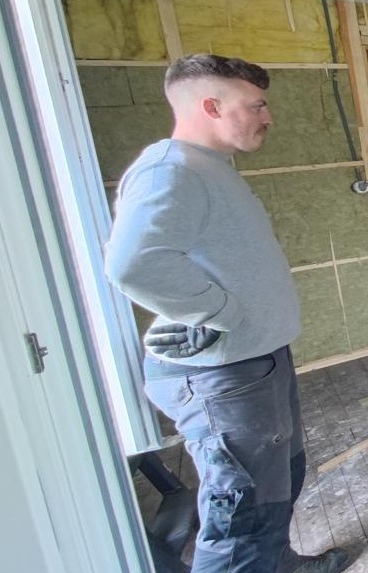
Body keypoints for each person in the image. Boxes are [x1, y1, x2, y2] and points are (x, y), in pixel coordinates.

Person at [105, 54, 353, 573]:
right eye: (256, 105)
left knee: (277, 484)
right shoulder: (170, 171)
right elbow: (134, 263)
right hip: (224, 375)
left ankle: (280, 564)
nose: (267, 116)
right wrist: (216, 311)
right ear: (211, 106)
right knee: (242, 514)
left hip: (254, 361)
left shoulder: (208, 167)